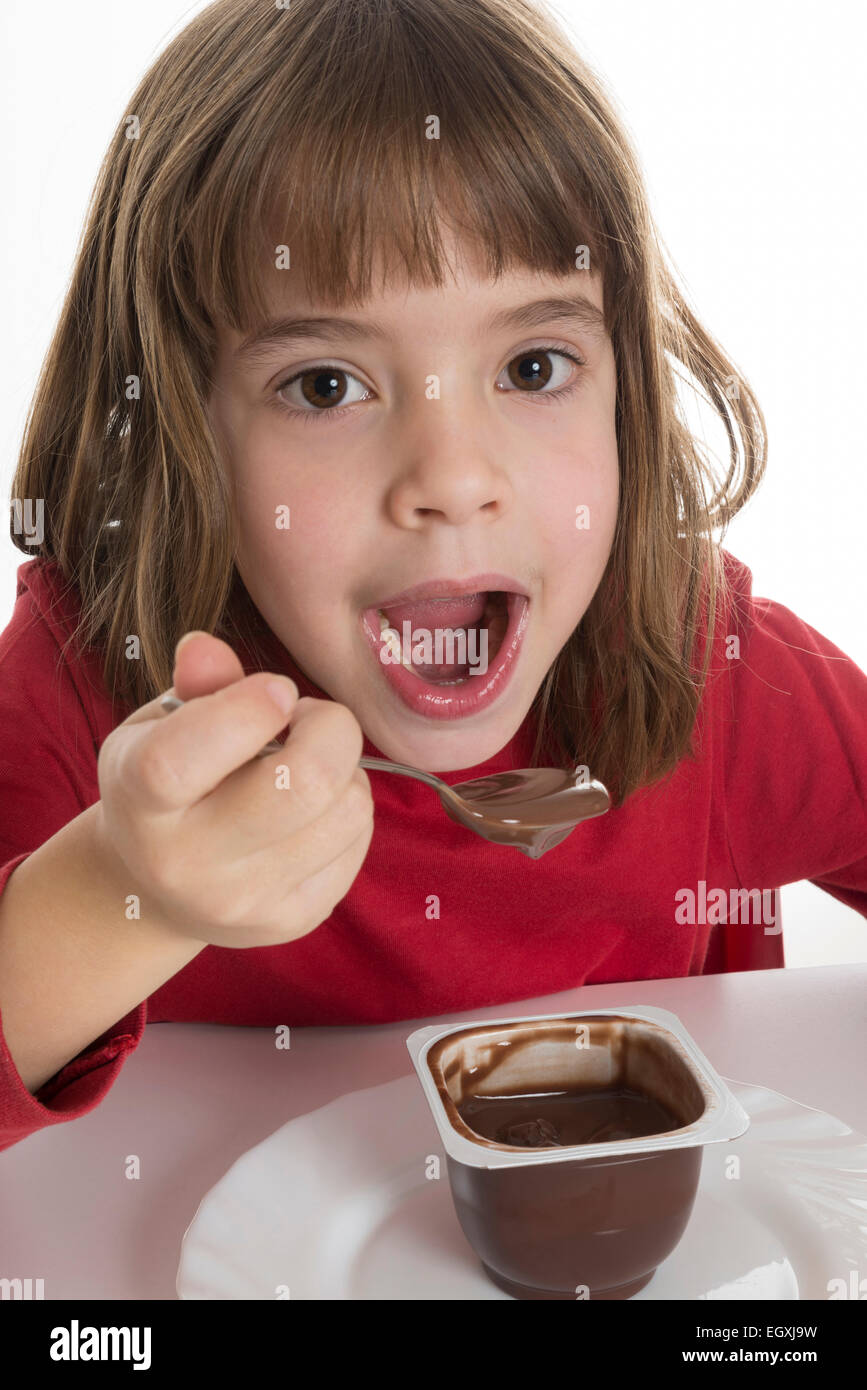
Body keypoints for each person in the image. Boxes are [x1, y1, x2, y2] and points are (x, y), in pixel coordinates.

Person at [1, 0, 864, 1153]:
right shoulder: (94, 692)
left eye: (534, 364)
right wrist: (124, 891)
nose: (454, 478)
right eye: (325, 386)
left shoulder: (711, 669)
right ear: (182, 428)